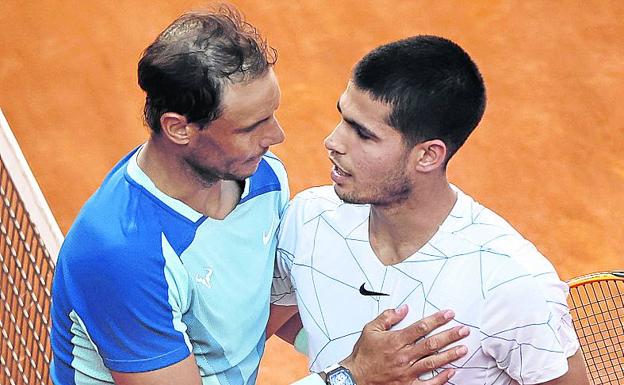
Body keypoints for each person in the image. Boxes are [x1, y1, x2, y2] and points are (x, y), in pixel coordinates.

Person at [50, 7, 467, 385]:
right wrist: (351, 375)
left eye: (272, 114)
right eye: (251, 127)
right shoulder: (123, 252)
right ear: (179, 128)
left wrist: (385, 362)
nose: (276, 136)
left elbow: (258, 313)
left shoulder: (262, 179)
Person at [271, 35, 590, 384]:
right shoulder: (309, 220)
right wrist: (359, 366)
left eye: (363, 134)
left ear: (427, 155)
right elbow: (265, 327)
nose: (333, 142)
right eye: (343, 118)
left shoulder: (510, 282)